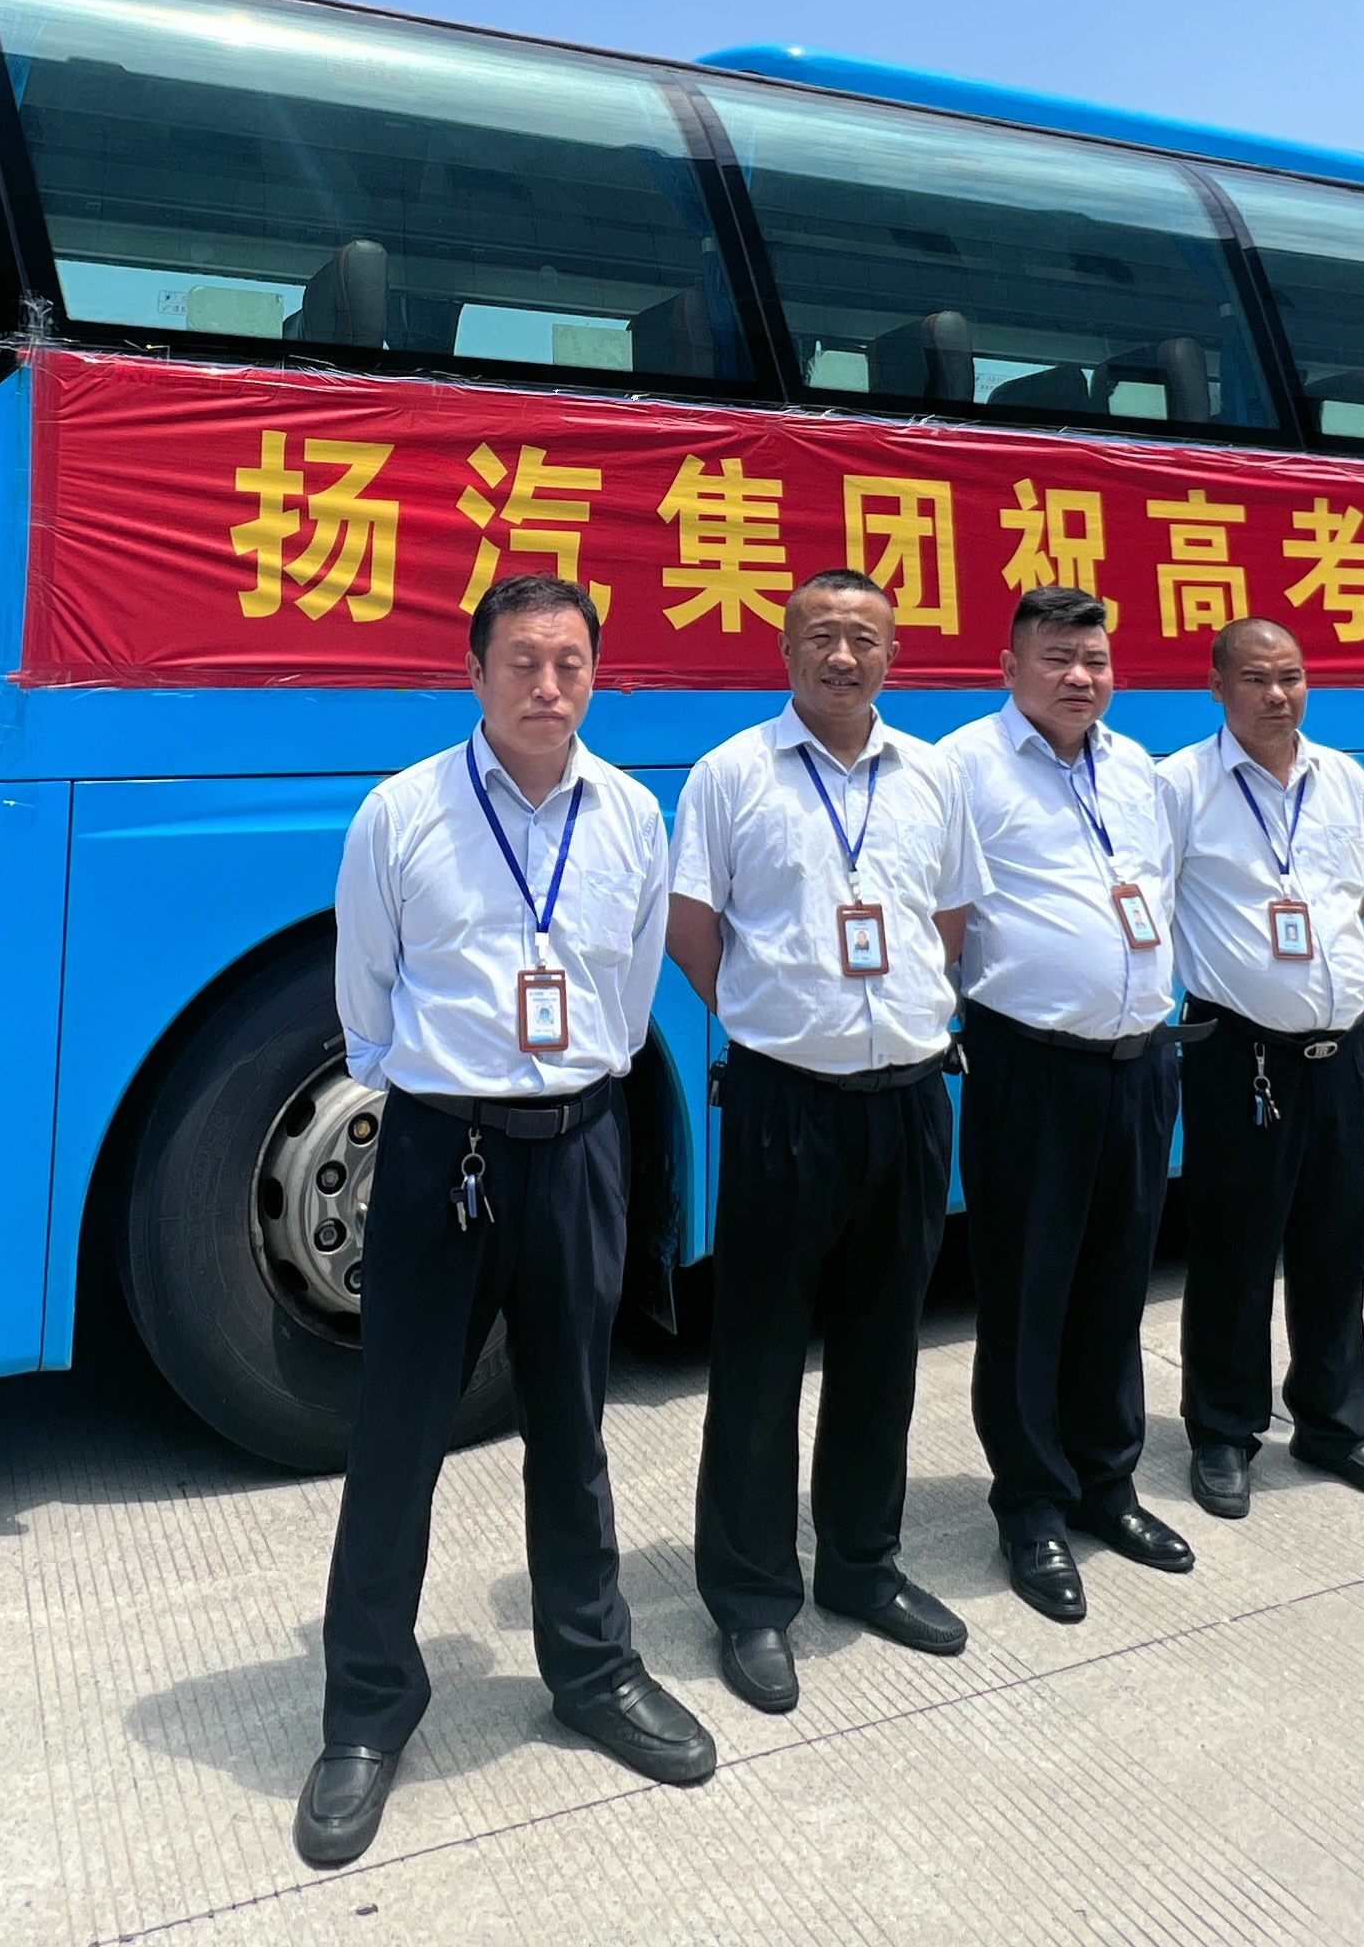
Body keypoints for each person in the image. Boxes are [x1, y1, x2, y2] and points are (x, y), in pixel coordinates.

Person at [295, 573, 715, 1871]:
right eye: (523, 661)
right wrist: (450, 1091)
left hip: (580, 1147)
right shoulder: (404, 812)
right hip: (445, 1153)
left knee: (572, 1424)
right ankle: (368, 1707)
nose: (548, 685)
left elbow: (630, 988)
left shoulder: (631, 813)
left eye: (571, 663)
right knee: (399, 1432)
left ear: (597, 676)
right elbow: (366, 990)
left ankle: (592, 1668)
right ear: (473, 672)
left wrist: (564, 1085)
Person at [666, 567, 974, 1716]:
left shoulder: (932, 775)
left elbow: (950, 919)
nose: (843, 657)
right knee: (758, 1356)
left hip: (909, 1098)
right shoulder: (731, 774)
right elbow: (691, 926)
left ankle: (862, 1564)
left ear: (893, 655)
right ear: (786, 650)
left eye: (864, 639)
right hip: (783, 1104)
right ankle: (752, 1599)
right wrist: (773, 1018)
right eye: (822, 637)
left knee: (884, 1347)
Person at [941, 582, 1193, 1625]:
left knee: (1117, 1283)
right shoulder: (964, 767)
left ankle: (1106, 1481)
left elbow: (1157, 890)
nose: (1080, 677)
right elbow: (939, 912)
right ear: (1010, 668)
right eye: (1057, 658)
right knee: (1028, 1289)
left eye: (1095, 659)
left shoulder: (1135, 768)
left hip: (1140, 1063)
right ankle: (1032, 1504)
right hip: (1030, 1066)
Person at [1160, 616, 1364, 1521]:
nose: (1278, 696)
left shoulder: (1343, 776)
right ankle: (1223, 1430)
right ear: (1217, 687)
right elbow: (1152, 901)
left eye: (1293, 677)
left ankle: (1335, 1425)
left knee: (1339, 1242)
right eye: (1256, 679)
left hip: (1342, 1048)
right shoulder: (1179, 785)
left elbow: (1359, 892)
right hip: (1240, 1054)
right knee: (1234, 1247)